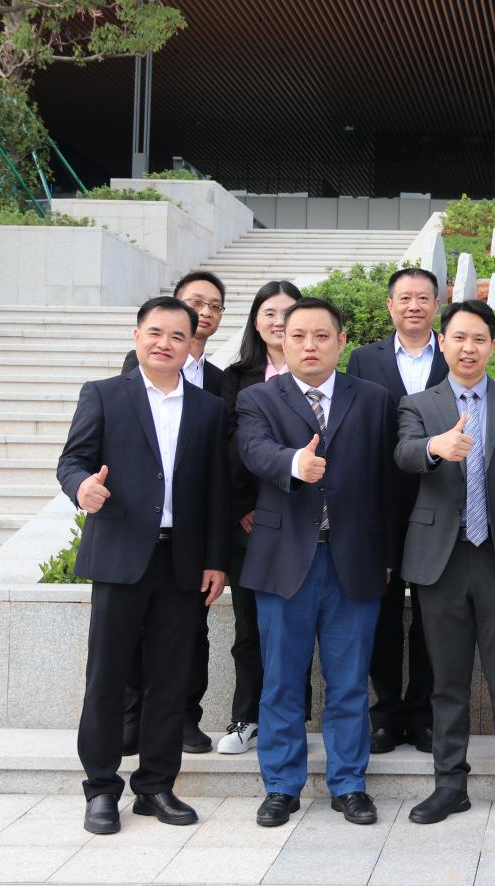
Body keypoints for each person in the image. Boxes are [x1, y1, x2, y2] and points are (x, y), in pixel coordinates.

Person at [57, 296, 229, 835]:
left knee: (169, 680)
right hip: (120, 556)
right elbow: (73, 460)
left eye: (178, 335)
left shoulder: (209, 408)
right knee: (107, 678)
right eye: (156, 332)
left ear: (190, 344)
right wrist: (81, 488)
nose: (165, 343)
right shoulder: (104, 394)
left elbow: (217, 491)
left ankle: (155, 785)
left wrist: (216, 560)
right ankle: (101, 788)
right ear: (137, 336)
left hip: (181, 560)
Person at [236, 296, 397, 828]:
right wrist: (292, 462)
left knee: (349, 682)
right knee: (281, 680)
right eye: (298, 335)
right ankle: (281, 786)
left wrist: (388, 555)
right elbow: (253, 450)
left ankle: (348, 784)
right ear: (281, 340)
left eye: (321, 335)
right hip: (283, 561)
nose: (310, 345)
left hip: (355, 561)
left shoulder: (372, 398)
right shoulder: (258, 398)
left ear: (341, 342)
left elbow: (388, 482)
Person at [396, 300, 495, 828]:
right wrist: (435, 448)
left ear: (493, 345)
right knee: (447, 683)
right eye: (459, 338)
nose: (469, 348)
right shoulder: (419, 403)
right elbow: (404, 454)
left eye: (479, 339)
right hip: (440, 561)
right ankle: (449, 785)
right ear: (442, 343)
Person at [119, 271, 228, 755]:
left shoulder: (219, 385)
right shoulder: (134, 372)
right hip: (134, 535)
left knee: (189, 636)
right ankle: (130, 719)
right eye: (195, 302)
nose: (204, 312)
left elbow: (217, 471)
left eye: (214, 306)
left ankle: (182, 720)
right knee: (128, 640)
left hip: (189, 536)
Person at [346, 267, 445, 756]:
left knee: (431, 614)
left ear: (437, 305)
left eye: (423, 298)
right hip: (378, 503)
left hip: (439, 500)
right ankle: (385, 713)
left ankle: (423, 714)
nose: (413, 306)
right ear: (390, 306)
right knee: (381, 613)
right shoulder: (364, 359)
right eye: (404, 298)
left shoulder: (454, 355)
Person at [215, 280, 304, 756]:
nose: (279, 321)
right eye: (269, 312)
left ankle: (291, 717)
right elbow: (230, 449)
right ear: (255, 320)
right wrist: (242, 508)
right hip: (251, 524)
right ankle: (246, 716)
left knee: (298, 626)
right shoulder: (235, 378)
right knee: (251, 626)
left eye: (288, 312)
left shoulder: (318, 372)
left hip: (307, 521)